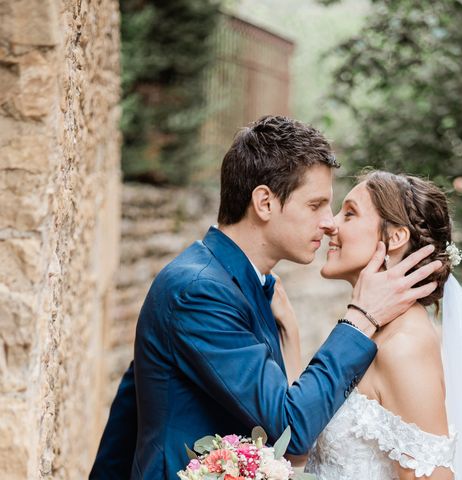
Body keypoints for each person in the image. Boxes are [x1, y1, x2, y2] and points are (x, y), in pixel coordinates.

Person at [89, 117, 441, 479]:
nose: (328, 222)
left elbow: (131, 410)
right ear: (264, 203)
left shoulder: (246, 286)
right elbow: (291, 430)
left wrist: (289, 334)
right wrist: (359, 317)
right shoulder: (199, 291)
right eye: (315, 205)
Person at [273, 170, 462, 479]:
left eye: (349, 214)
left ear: (396, 237)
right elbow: (301, 443)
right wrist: (290, 334)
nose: (332, 223)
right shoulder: (368, 331)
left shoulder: (405, 346)